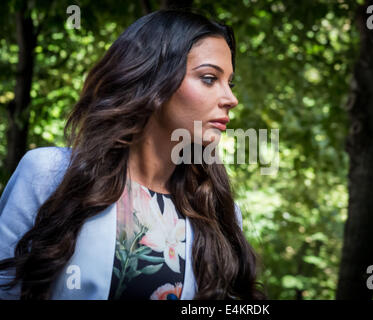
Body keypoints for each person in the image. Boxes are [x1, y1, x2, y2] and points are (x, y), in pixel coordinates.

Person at [0, 9, 265, 300]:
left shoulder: (219, 213)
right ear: (154, 77)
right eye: (209, 78)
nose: (231, 99)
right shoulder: (49, 175)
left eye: (230, 83)